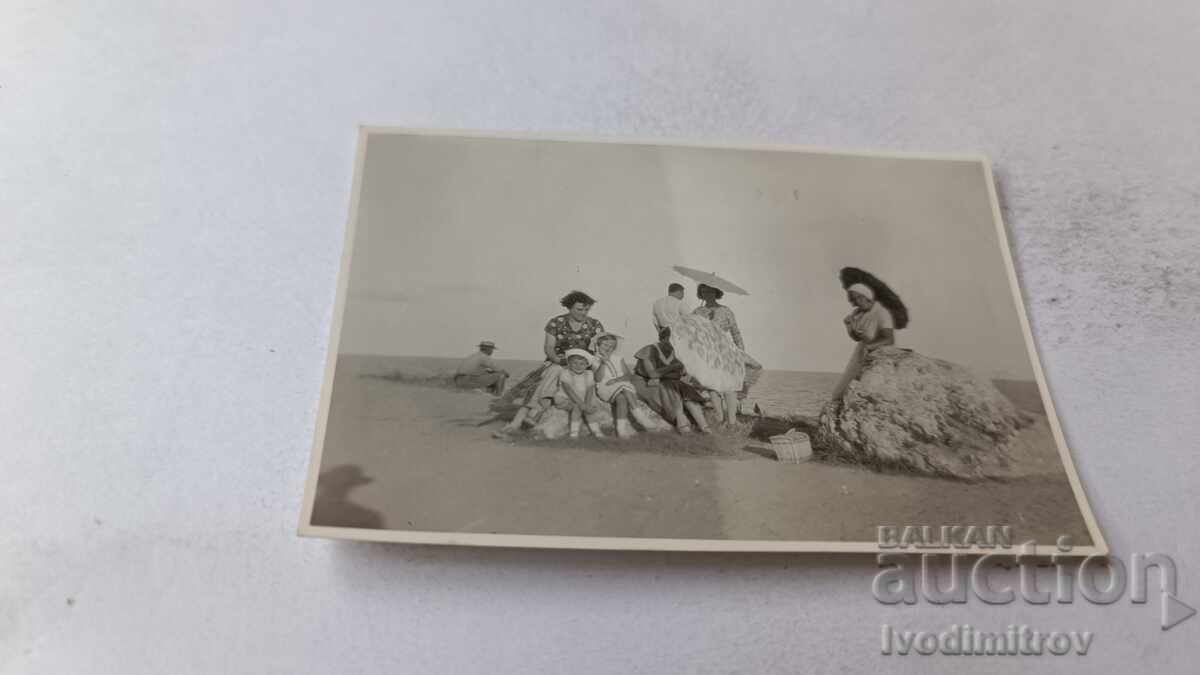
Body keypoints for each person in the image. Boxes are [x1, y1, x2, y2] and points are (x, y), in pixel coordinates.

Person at [495, 290, 605, 437]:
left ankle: (530, 416)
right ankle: (520, 421)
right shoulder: (556, 323)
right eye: (579, 309)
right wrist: (561, 361)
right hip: (559, 361)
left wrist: (586, 364)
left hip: (584, 364)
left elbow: (599, 349)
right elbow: (549, 348)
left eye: (586, 309)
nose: (583, 313)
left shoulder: (595, 324)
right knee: (554, 372)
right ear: (569, 307)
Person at [692, 283, 758, 426]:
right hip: (706, 353)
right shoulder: (697, 312)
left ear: (716, 292)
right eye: (704, 291)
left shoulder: (725, 310)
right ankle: (720, 418)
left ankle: (732, 421)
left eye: (710, 291)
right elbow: (690, 332)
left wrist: (741, 352)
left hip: (725, 351)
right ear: (700, 294)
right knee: (711, 386)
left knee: (729, 386)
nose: (707, 294)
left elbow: (735, 332)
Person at [632, 327, 711, 434]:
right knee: (673, 386)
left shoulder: (673, 352)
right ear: (664, 338)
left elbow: (679, 374)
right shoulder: (649, 349)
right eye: (673, 338)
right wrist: (673, 367)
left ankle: (703, 426)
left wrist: (667, 373)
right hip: (643, 383)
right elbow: (652, 374)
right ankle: (684, 425)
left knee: (678, 385)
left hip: (664, 381)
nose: (676, 342)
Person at [831, 282, 897, 400]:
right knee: (841, 390)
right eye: (851, 301)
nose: (853, 304)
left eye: (854, 299)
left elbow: (889, 339)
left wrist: (870, 347)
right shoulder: (858, 313)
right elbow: (857, 338)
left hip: (878, 352)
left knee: (867, 390)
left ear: (865, 296)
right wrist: (849, 326)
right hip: (862, 351)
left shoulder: (882, 313)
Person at [591, 332, 645, 439]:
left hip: (621, 385)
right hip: (605, 388)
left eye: (612, 346)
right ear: (597, 345)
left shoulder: (618, 358)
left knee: (622, 398)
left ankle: (621, 430)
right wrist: (603, 363)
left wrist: (616, 380)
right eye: (605, 345)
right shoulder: (594, 360)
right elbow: (598, 379)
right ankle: (641, 417)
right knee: (623, 387)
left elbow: (628, 375)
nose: (608, 348)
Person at [555, 349, 606, 439]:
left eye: (582, 364)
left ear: (587, 365)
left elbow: (590, 390)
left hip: (583, 398)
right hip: (566, 398)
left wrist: (587, 404)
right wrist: (582, 405)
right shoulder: (565, 373)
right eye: (575, 363)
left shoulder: (589, 374)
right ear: (569, 363)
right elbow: (569, 391)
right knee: (577, 407)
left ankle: (596, 431)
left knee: (589, 408)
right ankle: (574, 433)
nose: (578, 366)